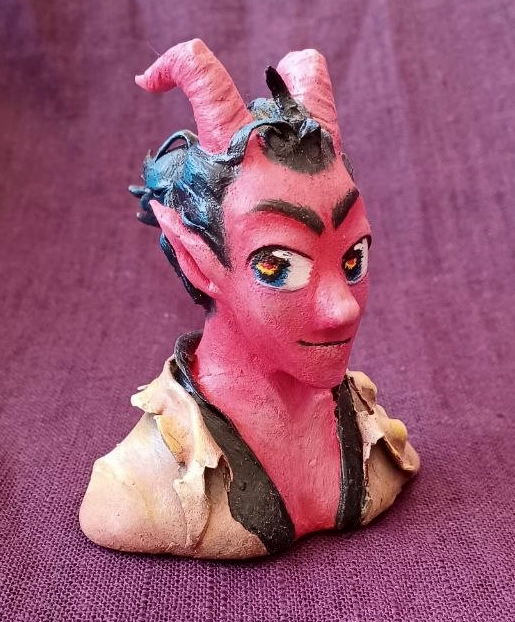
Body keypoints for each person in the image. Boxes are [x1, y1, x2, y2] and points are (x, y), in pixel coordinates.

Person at [79, 39, 419, 559]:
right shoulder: (132, 487)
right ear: (197, 261)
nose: (344, 308)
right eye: (279, 265)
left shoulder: (374, 438)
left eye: (353, 259)